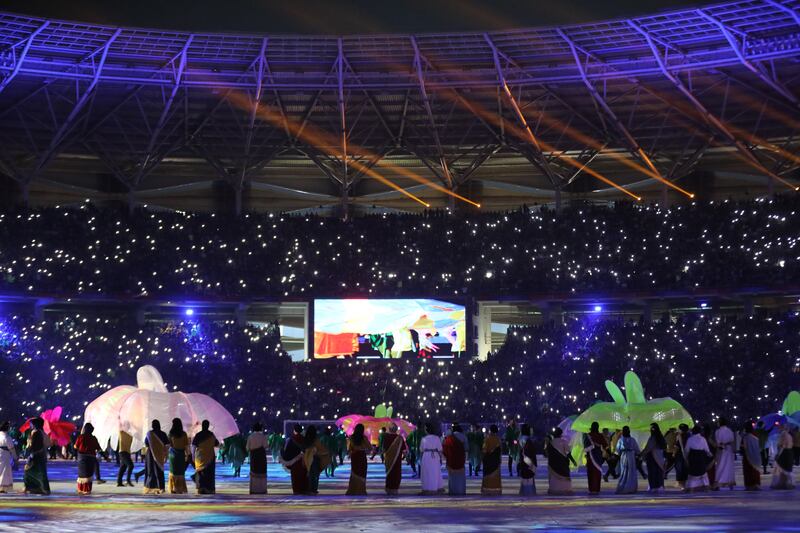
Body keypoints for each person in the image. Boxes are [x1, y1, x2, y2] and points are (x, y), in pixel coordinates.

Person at [192, 420, 219, 495]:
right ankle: (209, 489)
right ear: (208, 426)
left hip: (200, 457)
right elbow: (217, 444)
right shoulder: (211, 435)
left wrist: (193, 456)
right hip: (210, 457)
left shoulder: (198, 435)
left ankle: (201, 489)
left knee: (200, 473)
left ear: (202, 426)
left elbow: (193, 446)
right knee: (209, 473)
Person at [24, 418, 50, 495]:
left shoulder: (36, 433)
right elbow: (47, 443)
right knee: (40, 472)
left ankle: (34, 488)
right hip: (41, 455)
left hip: (36, 455)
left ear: (35, 424)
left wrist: (31, 453)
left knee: (29, 471)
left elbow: (35, 445)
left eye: (31, 423)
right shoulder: (42, 432)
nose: (30, 425)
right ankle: (40, 488)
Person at [546, 427, 576, 495]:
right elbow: (568, 453)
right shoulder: (563, 442)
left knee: (554, 478)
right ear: (561, 434)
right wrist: (573, 461)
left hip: (553, 464)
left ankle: (554, 489)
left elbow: (547, 453)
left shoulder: (550, 443)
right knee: (564, 478)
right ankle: (565, 489)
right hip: (563, 463)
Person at [75, 423, 103, 495]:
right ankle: (87, 489)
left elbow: (75, 446)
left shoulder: (81, 437)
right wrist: (105, 456)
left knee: (82, 474)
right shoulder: (93, 438)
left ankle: (81, 489)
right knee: (88, 474)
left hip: (82, 457)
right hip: (91, 458)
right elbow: (98, 448)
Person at [143, 419, 169, 495]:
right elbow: (167, 445)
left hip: (150, 455)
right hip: (160, 455)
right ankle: (161, 487)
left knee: (150, 470)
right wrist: (165, 455)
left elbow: (146, 444)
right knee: (159, 471)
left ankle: (151, 487)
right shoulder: (163, 434)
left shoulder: (149, 434)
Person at [303, 425, 331, 495]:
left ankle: (309, 488)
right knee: (315, 475)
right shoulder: (316, 439)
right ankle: (314, 489)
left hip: (307, 458)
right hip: (315, 459)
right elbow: (322, 449)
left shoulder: (305, 439)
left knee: (309, 474)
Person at [281, 424, 308, 495]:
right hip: (303, 460)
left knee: (295, 476)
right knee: (303, 475)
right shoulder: (305, 439)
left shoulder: (290, 439)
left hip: (294, 461)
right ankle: (303, 489)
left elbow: (286, 450)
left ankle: (296, 490)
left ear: (294, 430)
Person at [685, 425, 713, 493]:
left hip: (693, 458)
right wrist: (711, 456)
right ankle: (707, 488)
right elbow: (707, 450)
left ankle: (691, 489)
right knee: (703, 474)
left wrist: (686, 458)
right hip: (701, 458)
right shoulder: (703, 439)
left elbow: (686, 450)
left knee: (692, 474)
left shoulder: (690, 439)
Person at [641, 422, 667, 493]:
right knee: (659, 471)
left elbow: (648, 448)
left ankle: (653, 487)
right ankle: (660, 486)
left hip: (652, 457)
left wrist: (642, 454)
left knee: (652, 472)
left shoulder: (653, 437)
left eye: (651, 428)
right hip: (659, 457)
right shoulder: (661, 437)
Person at [419, 422, 444, 495]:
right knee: (435, 472)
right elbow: (440, 449)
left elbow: (421, 450)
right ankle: (434, 487)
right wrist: (440, 458)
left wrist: (420, 459)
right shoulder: (437, 438)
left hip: (426, 456)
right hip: (435, 456)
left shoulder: (424, 439)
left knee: (426, 472)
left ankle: (426, 488)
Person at [442, 423, 467, 496]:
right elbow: (466, 448)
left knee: (452, 477)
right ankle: (461, 490)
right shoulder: (463, 437)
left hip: (451, 458)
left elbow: (445, 447)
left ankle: (452, 490)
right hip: (461, 458)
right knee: (460, 476)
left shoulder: (449, 438)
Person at [382, 423, 407, 495]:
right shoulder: (400, 438)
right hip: (397, 459)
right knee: (396, 473)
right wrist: (405, 457)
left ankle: (389, 488)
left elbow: (384, 449)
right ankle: (395, 488)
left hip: (388, 459)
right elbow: (404, 450)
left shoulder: (386, 437)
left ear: (389, 429)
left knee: (389, 473)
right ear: (396, 429)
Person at [346, 423, 370, 496]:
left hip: (355, 456)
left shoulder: (351, 438)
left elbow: (348, 449)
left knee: (354, 472)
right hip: (362, 456)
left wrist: (352, 451)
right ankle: (361, 490)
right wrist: (363, 448)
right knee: (362, 473)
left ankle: (353, 490)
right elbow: (370, 448)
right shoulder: (364, 438)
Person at [167, 418, 191, 494]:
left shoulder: (171, 434)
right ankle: (180, 488)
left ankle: (173, 488)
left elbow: (169, 445)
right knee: (180, 472)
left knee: (173, 472)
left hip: (173, 455)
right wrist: (188, 455)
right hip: (181, 455)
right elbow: (186, 446)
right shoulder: (183, 434)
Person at [615, 426, 640, 494]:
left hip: (624, 456)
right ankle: (630, 488)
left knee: (625, 472)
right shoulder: (632, 440)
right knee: (629, 472)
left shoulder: (621, 440)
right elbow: (637, 450)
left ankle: (623, 487)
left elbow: (617, 450)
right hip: (630, 456)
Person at [583, 421, 607, 495]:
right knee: (596, 473)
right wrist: (609, 453)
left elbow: (585, 447)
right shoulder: (599, 435)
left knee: (591, 472)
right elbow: (605, 445)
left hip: (591, 457)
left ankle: (592, 488)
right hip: (597, 457)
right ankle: (596, 488)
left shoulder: (587, 435)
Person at [770, 423, 795, 490]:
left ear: (782, 428)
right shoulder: (789, 435)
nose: (778, 429)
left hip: (784, 453)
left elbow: (782, 446)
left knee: (780, 468)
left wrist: (778, 454)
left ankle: (782, 483)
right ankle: (788, 483)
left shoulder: (783, 434)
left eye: (779, 427)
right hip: (789, 453)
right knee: (788, 469)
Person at [246, 422, 268, 494]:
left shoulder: (250, 436)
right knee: (262, 472)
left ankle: (254, 489)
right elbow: (266, 446)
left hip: (254, 456)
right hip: (261, 456)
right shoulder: (263, 436)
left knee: (254, 472)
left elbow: (247, 448)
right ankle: (262, 489)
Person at [714, 417, 736, 490]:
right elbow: (732, 440)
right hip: (728, 450)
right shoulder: (729, 431)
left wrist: (720, 445)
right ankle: (730, 482)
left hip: (721, 450)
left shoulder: (718, 431)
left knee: (720, 465)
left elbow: (718, 441)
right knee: (728, 466)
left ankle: (719, 482)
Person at [481, 424, 503, 495]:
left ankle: (487, 489)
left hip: (488, 462)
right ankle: (496, 489)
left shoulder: (487, 439)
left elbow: (484, 450)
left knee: (488, 477)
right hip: (496, 461)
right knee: (495, 477)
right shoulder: (498, 440)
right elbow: (500, 451)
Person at [740, 421, 762, 491]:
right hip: (756, 455)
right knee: (755, 470)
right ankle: (756, 484)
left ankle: (749, 485)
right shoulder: (755, 435)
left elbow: (742, 447)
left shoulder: (746, 437)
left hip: (747, 457)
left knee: (748, 471)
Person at [518, 423, 537, 496]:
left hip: (523, 460)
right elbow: (532, 452)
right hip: (529, 461)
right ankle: (529, 492)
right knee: (529, 476)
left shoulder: (520, 439)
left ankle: (524, 492)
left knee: (524, 477)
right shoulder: (529, 440)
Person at [0, 422, 17, 493]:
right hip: (5, 454)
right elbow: (12, 448)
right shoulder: (7, 437)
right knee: (4, 470)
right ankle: (2, 487)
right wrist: (15, 457)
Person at [674, 424, 690, 489]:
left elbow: (679, 446)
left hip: (681, 455)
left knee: (680, 469)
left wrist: (674, 453)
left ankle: (682, 486)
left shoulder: (679, 436)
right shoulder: (689, 435)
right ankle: (684, 485)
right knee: (685, 469)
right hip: (688, 453)